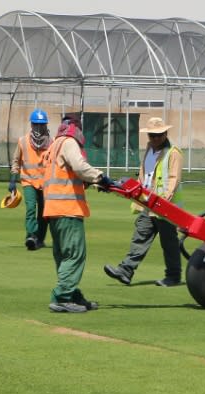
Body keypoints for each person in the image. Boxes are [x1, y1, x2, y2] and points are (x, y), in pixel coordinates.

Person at [44, 114, 113, 313]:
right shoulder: (69, 142)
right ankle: (62, 296)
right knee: (75, 255)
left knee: (64, 255)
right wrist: (100, 177)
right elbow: (79, 166)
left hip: (53, 210)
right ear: (76, 128)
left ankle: (72, 293)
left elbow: (67, 174)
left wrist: (90, 182)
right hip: (68, 209)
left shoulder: (54, 145)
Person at [103, 117, 184, 287]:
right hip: (147, 203)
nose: (155, 139)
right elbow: (144, 175)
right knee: (140, 236)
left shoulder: (173, 153)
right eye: (152, 135)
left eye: (159, 135)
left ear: (165, 133)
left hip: (165, 206)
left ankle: (174, 276)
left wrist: (164, 202)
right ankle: (126, 271)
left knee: (169, 243)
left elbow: (173, 179)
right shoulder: (148, 149)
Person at [9, 108, 51, 250]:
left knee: (44, 212)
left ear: (46, 125)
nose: (39, 127)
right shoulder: (23, 141)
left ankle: (40, 238)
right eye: (36, 124)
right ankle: (31, 236)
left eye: (42, 124)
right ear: (31, 125)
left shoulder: (53, 142)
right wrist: (13, 180)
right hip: (28, 181)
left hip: (46, 183)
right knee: (31, 208)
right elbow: (16, 161)